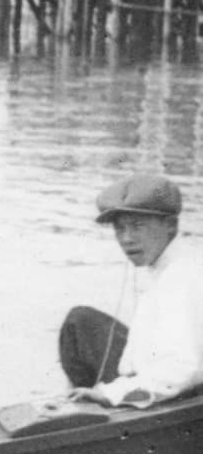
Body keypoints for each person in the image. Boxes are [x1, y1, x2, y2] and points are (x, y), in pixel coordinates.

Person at [58, 173, 203, 407]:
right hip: (154, 373)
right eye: (119, 228)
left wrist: (112, 393)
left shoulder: (183, 275)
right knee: (80, 322)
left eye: (137, 226)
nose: (126, 239)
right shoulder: (162, 261)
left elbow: (183, 367)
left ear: (170, 225)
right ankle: (79, 402)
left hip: (182, 395)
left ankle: (93, 418)